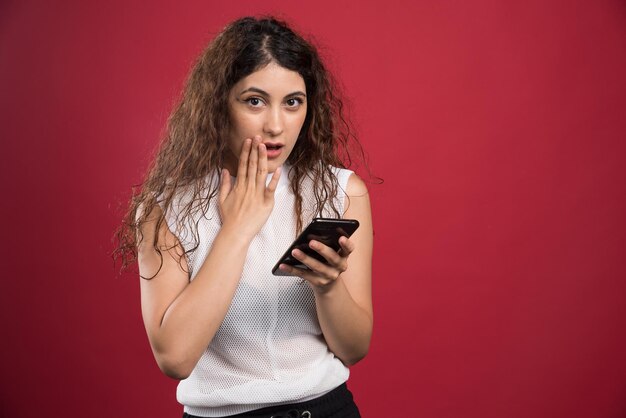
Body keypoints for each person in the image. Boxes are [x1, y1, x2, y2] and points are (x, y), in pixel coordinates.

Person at [116, 16, 373, 418]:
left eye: (292, 102)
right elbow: (175, 358)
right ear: (220, 104)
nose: (276, 125)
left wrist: (328, 286)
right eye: (254, 100)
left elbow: (355, 349)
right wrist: (236, 230)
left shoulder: (339, 191)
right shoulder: (164, 207)